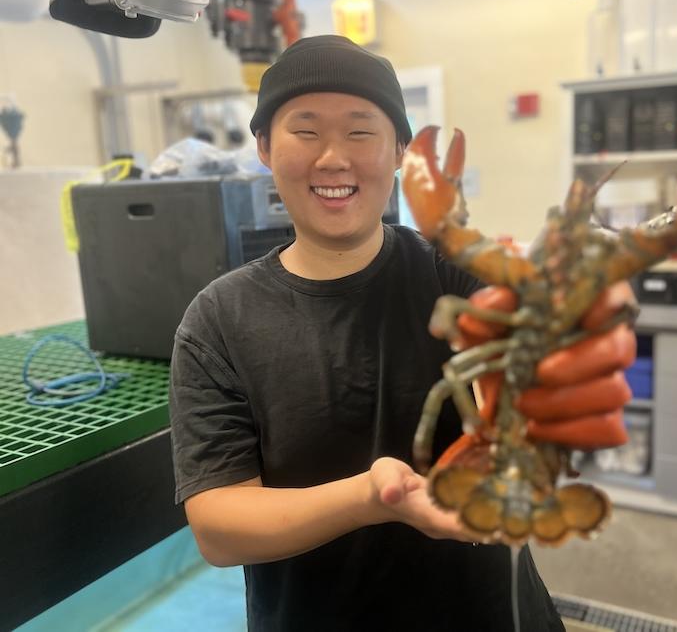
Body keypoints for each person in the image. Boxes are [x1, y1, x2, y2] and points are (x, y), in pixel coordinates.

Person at [169, 34, 637, 632]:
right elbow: (218, 527)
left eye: (361, 131)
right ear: (263, 147)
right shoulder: (217, 321)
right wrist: (371, 498)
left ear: (399, 153)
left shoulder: (457, 270)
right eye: (305, 131)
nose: (333, 158)